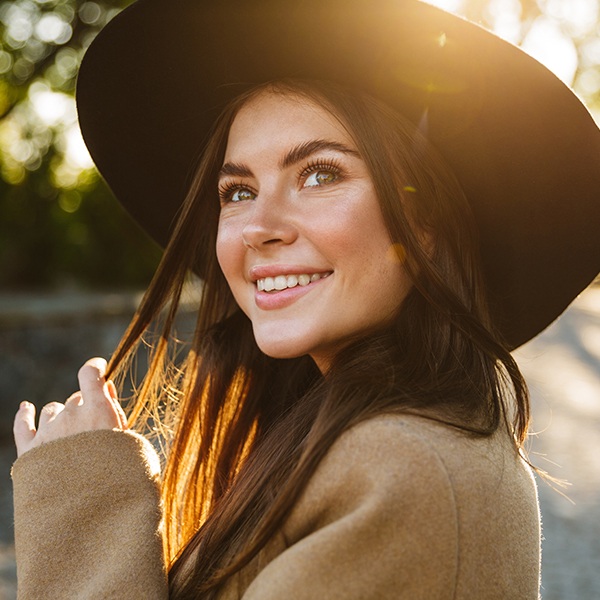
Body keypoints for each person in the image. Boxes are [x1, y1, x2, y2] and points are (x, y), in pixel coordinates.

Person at [11, 0, 600, 598]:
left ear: (427, 222)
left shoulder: (404, 470)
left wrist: (87, 505)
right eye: (237, 190)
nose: (258, 226)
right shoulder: (352, 441)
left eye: (320, 175)